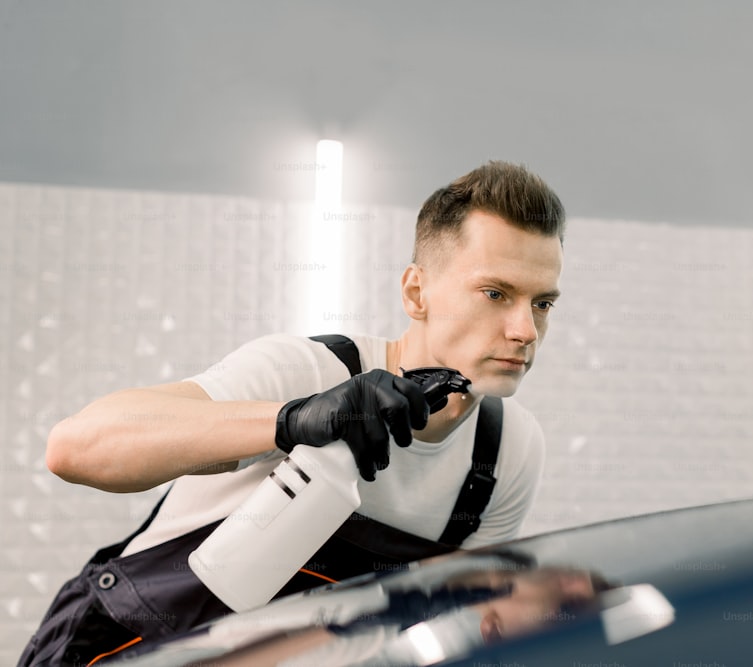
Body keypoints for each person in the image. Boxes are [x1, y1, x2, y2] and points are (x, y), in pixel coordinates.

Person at [19, 160, 566, 667]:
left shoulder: (507, 452)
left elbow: (438, 619)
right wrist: (291, 420)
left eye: (542, 303)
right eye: (496, 293)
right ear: (416, 292)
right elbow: (75, 448)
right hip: (116, 648)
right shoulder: (307, 370)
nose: (525, 331)